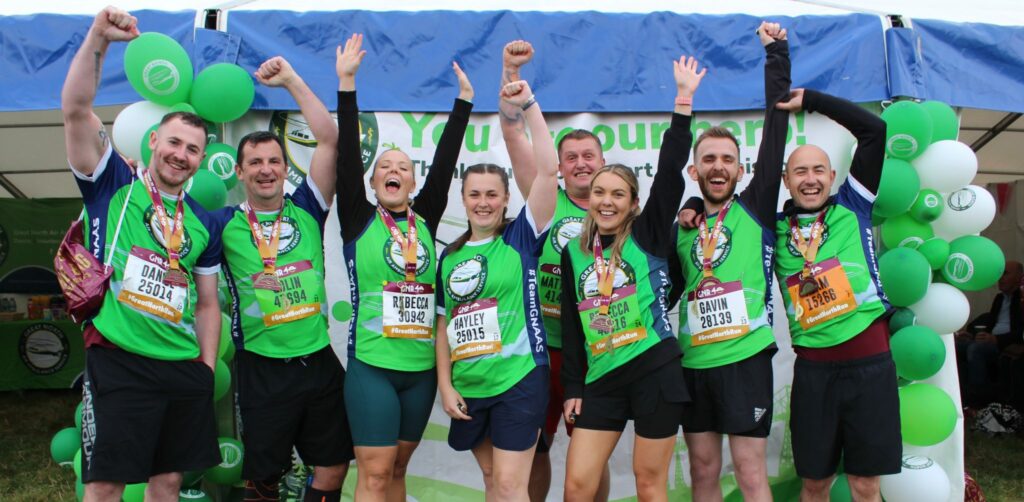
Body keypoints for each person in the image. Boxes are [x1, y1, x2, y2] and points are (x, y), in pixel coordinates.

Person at [62, 6, 222, 501]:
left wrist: (206, 369)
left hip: (181, 366)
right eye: (174, 141)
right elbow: (75, 108)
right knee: (106, 485)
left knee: (169, 482)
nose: (181, 154)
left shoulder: (201, 220)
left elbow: (207, 302)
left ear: (199, 159)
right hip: (119, 359)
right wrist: (99, 39)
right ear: (155, 141)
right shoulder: (113, 184)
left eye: (193, 149)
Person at [334, 34, 473, 501]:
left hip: (420, 371)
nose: (393, 171)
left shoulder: (425, 219)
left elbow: (446, 161)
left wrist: (464, 104)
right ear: (373, 184)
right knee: (373, 475)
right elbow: (347, 159)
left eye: (403, 168)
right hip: (372, 365)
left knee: (397, 471)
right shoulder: (358, 217)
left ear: (412, 183)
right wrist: (347, 84)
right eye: (383, 168)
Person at [560, 55, 705, 502]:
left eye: (617, 194)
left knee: (648, 485)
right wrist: (573, 388)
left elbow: (669, 171)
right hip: (602, 376)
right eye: (599, 192)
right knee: (578, 485)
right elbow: (571, 324)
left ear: (633, 203)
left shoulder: (647, 232)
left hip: (654, 372)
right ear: (588, 199)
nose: (606, 201)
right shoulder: (575, 251)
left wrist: (683, 103)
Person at [216, 56, 352, 501]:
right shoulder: (224, 224)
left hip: (317, 361)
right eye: (254, 162)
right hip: (261, 367)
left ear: (284, 167)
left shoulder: (309, 206)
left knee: (333, 465)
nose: (266, 169)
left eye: (274, 160)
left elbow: (329, 138)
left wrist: (292, 80)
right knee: (263, 477)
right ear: (240, 172)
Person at [669, 23, 790, 502]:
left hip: (744, 359)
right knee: (702, 471)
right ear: (693, 170)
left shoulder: (755, 206)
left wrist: (776, 55)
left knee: (749, 473)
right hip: (693, 362)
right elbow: (666, 291)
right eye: (709, 160)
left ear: (741, 170)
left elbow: (776, 126)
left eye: (727, 159)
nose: (718, 166)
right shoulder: (684, 225)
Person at [435, 79, 559, 501]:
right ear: (463, 199)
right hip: (470, 386)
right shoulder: (448, 257)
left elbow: (548, 170)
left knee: (510, 485)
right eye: (474, 195)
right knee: (493, 484)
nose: (483, 202)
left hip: (519, 378)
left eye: (492, 194)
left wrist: (528, 105)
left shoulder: (521, 238)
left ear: (507, 199)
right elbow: (443, 326)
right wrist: (446, 385)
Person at [772, 88, 899, 500]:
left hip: (870, 366)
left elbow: (874, 129)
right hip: (814, 374)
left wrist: (811, 99)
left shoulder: (853, 203)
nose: (809, 179)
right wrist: (695, 208)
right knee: (815, 483)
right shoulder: (770, 230)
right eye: (800, 172)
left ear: (831, 175)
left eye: (818, 170)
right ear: (786, 180)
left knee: (865, 484)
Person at [498, 39, 611, 502]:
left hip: (598, 347)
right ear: (560, 168)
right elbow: (511, 133)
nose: (582, 163)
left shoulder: (619, 208)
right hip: (543, 347)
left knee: (591, 449)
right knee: (537, 448)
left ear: (603, 163)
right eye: (572, 157)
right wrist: (510, 74)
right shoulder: (547, 199)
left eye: (590, 156)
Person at [956, 260, 1023, 407]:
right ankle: (960, 396)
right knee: (958, 346)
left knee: (975, 349)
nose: (1000, 278)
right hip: (991, 341)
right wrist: (973, 335)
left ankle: (978, 401)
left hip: (1006, 344)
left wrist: (996, 339)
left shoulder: (1021, 300)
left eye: (1005, 274)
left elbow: (1020, 332)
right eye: (999, 274)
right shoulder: (999, 298)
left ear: (1019, 278)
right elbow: (991, 322)